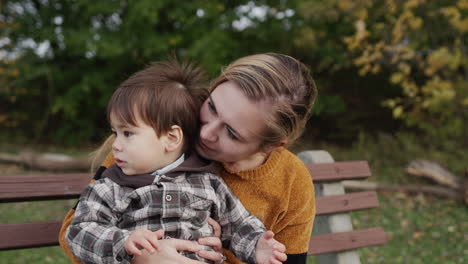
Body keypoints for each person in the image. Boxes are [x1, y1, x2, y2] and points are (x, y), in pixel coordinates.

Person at [60, 52, 317, 264]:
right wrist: (143, 258)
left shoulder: (291, 179)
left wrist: (230, 250)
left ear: (271, 145)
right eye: (212, 106)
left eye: (231, 133)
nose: (205, 133)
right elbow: (74, 232)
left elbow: (247, 232)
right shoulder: (156, 133)